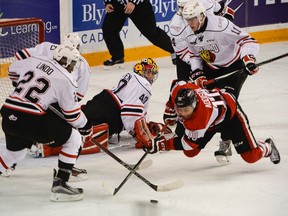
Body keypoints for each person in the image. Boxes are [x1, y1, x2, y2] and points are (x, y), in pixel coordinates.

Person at [166, 0, 260, 164]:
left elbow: (248, 40)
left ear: (201, 16)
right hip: (211, 67)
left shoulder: (220, 25)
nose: (189, 23)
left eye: (192, 19)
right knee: (209, 102)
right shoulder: (186, 29)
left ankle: (226, 142)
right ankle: (196, 131)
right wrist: (198, 73)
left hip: (233, 67)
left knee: (229, 104)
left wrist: (249, 58)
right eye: (187, 19)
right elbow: (193, 53)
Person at [0, 44, 93, 202]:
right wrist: (85, 126)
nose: (72, 67)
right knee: (74, 138)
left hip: (8, 113)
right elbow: (72, 115)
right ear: (68, 63)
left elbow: (12, 70)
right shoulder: (66, 79)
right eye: (72, 63)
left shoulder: (34, 60)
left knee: (15, 153)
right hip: (32, 120)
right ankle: (61, 184)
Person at [143, 80, 281, 166]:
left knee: (251, 157)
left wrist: (163, 144)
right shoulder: (182, 91)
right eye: (179, 109)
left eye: (186, 110)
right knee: (190, 153)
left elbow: (188, 143)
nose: (182, 114)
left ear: (195, 104)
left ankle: (268, 147)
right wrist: (170, 108)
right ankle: (226, 139)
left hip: (231, 115)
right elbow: (176, 83)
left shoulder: (199, 119)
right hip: (214, 118)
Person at [169, 0, 235, 81]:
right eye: (182, 8)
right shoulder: (176, 27)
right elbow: (182, 52)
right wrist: (199, 63)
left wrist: (225, 29)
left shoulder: (204, 4)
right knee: (184, 85)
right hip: (192, 53)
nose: (186, 10)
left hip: (212, 47)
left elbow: (226, 11)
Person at [15, 32, 91, 102]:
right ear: (77, 46)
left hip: (26, 94)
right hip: (54, 102)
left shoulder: (47, 46)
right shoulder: (83, 64)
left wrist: (21, 78)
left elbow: (19, 56)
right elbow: (79, 96)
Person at [102, 0, 176, 70]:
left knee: (151, 33)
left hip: (139, 4)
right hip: (119, 3)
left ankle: (175, 50)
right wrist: (108, 2)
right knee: (108, 29)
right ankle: (117, 57)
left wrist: (133, 2)